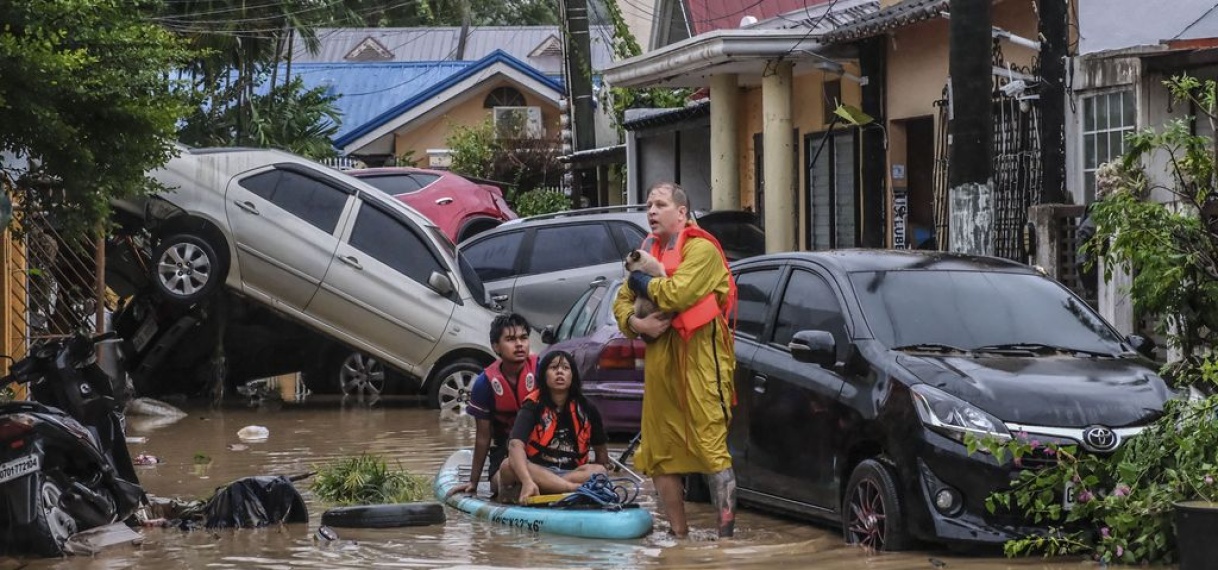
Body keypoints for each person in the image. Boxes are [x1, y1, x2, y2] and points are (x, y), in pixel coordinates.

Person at [613, 181, 739, 538]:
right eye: (649, 204)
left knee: (713, 451)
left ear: (681, 212)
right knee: (659, 453)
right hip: (660, 368)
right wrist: (638, 323)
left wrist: (640, 283)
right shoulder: (648, 249)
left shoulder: (702, 250)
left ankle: (725, 542)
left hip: (701, 365)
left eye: (660, 204)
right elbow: (619, 303)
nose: (651, 211)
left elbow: (676, 293)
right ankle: (679, 536)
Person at [498, 350, 609, 503]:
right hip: (537, 472)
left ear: (573, 375)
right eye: (553, 368)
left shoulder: (587, 408)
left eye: (565, 368)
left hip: (571, 473)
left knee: (599, 471)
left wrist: (600, 478)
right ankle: (571, 490)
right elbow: (515, 445)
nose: (559, 372)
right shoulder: (532, 406)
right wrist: (527, 480)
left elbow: (601, 455)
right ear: (544, 375)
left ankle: (550, 487)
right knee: (507, 466)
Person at [451, 313, 537, 497]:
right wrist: (473, 481)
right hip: (504, 454)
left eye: (523, 338)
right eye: (510, 339)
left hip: (540, 450)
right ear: (496, 346)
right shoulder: (484, 383)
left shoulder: (543, 371)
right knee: (501, 482)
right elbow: (483, 437)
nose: (519, 344)